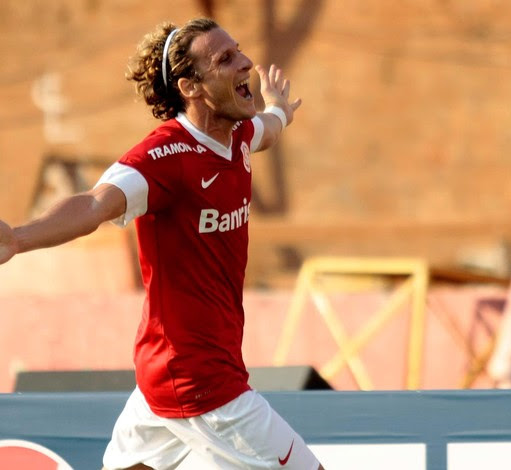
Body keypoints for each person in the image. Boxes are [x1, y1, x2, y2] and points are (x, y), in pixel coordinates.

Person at [0, 17, 325, 470]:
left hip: (163, 375)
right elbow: (94, 205)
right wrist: (18, 238)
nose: (245, 63)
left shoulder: (239, 137)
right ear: (191, 87)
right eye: (225, 59)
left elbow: (268, 129)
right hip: (202, 383)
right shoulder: (163, 158)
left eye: (239, 51)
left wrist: (280, 110)